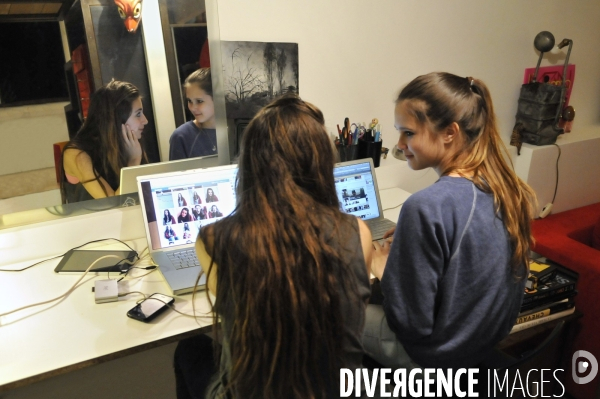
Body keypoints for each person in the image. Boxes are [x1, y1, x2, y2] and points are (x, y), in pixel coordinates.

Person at [174, 95, 373, 398]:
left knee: (189, 351)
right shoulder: (357, 232)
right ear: (322, 162)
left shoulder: (213, 239)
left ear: (250, 162)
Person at [363, 72, 537, 372]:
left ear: (449, 132)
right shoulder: (509, 190)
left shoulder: (426, 207)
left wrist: (384, 270)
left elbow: (410, 325)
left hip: (434, 356)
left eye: (408, 133)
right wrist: (412, 245)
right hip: (480, 345)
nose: (399, 144)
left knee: (329, 309)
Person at [61, 80, 148, 202]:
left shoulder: (130, 144)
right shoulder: (76, 154)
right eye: (138, 114)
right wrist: (133, 162)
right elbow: (113, 204)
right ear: (116, 118)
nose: (145, 120)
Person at [169, 68, 217, 160]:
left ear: (217, 99)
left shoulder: (237, 131)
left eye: (199, 101)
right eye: (189, 101)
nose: (192, 107)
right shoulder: (181, 136)